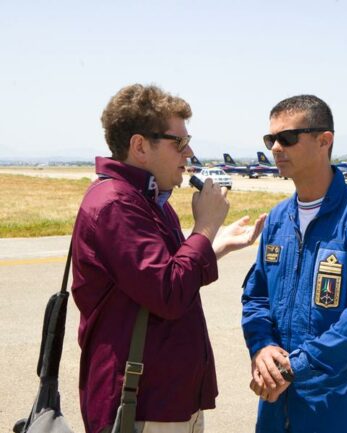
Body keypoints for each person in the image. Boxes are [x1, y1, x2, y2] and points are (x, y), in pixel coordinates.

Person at [71, 84, 265, 433]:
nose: (189, 152)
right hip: (142, 404)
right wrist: (204, 228)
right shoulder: (117, 205)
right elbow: (168, 292)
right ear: (140, 146)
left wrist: (214, 245)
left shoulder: (149, 200)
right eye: (179, 142)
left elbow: (162, 272)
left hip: (168, 398)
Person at [241, 95, 347, 432]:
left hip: (334, 410)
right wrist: (262, 347)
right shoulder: (277, 220)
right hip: (274, 410)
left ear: (324, 140)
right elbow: (256, 297)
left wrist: (296, 367)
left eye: (287, 138)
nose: (276, 148)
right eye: (271, 140)